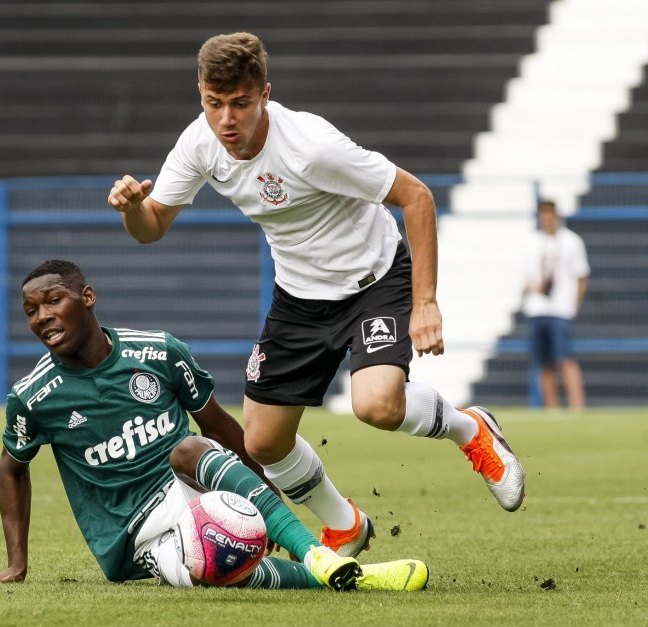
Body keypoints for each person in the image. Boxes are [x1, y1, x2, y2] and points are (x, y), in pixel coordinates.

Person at [107, 32, 527, 553]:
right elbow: (152, 226)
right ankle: (345, 523)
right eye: (214, 104)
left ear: (264, 95)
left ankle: (471, 430)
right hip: (300, 297)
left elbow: (416, 197)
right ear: (200, 95)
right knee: (262, 442)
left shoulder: (311, 145)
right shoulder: (199, 143)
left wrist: (425, 302)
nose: (227, 121)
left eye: (240, 104)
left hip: (372, 281)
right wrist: (131, 208)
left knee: (375, 405)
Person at [0, 259, 428, 591]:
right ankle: (342, 575)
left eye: (53, 301)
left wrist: (273, 506)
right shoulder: (33, 397)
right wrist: (16, 563)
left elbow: (221, 427)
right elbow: (12, 468)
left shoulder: (159, 353)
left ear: (87, 298)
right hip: (134, 535)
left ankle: (314, 552)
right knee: (208, 565)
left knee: (188, 449)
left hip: (192, 487)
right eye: (31, 311)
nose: (42, 317)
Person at [523, 200, 590, 409]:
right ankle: (551, 409)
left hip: (561, 310)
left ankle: (577, 406)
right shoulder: (532, 241)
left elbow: (581, 275)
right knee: (543, 363)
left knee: (565, 360)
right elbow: (526, 276)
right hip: (537, 308)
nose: (546, 219)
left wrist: (575, 304)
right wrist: (535, 287)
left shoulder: (571, 241)